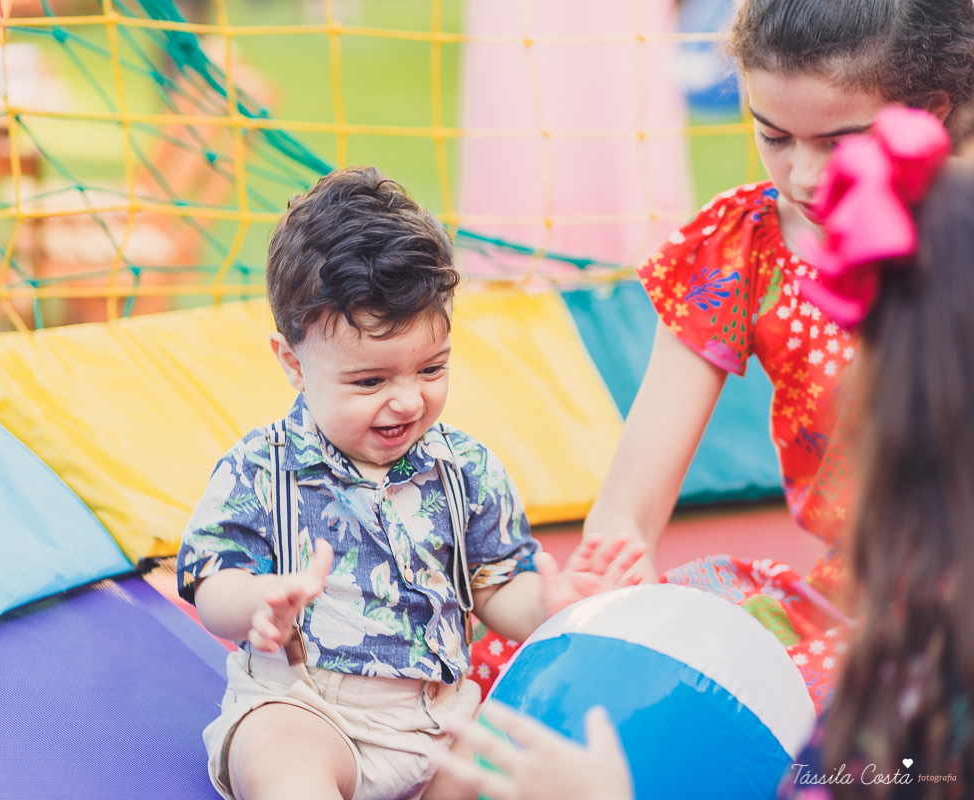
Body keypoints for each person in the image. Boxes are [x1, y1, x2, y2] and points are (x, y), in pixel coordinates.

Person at [439, 105, 974, 800]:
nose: (804, 172)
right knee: (521, 666)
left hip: (867, 637)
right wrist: (611, 595)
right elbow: (626, 517)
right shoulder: (749, 238)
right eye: (774, 134)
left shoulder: (913, 690)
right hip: (844, 605)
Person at [175, 167, 645, 800]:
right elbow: (211, 582)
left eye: (431, 369)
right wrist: (258, 600)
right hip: (312, 706)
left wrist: (547, 605)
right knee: (279, 754)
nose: (406, 402)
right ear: (293, 362)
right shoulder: (262, 466)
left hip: (443, 720)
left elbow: (496, 589)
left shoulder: (467, 471)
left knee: (522, 762)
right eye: (369, 382)